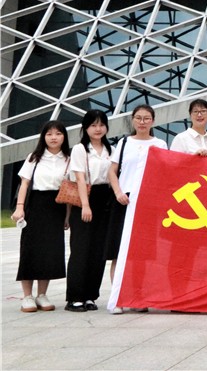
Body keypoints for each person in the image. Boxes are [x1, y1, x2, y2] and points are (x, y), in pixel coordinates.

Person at [107, 105, 168, 314]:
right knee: (118, 251)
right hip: (124, 200)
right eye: (139, 118)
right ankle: (117, 298)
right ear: (133, 120)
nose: (142, 122)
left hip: (147, 203)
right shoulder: (124, 143)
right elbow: (112, 171)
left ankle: (137, 297)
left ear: (153, 121)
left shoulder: (160, 144)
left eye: (147, 118)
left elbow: (164, 173)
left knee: (141, 254)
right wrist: (118, 192)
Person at [11, 121, 71, 313]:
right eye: (49, 134)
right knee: (30, 249)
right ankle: (27, 296)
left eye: (58, 134)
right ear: (43, 137)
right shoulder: (34, 157)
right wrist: (20, 208)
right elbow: (24, 184)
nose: (54, 137)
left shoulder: (68, 159)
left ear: (64, 137)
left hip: (57, 207)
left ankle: (42, 294)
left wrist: (67, 216)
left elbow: (69, 189)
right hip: (35, 206)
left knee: (50, 252)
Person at [65, 110, 114, 312]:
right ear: (85, 128)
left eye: (101, 124)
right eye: (93, 125)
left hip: (105, 199)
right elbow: (79, 178)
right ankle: (75, 297)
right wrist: (85, 205)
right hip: (85, 196)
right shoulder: (80, 149)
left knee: (98, 251)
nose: (98, 129)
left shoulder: (111, 149)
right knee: (81, 249)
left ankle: (90, 296)